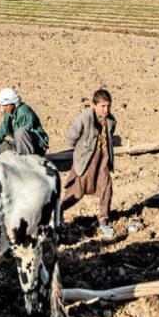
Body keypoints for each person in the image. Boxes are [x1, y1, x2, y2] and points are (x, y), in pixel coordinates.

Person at [61, 89, 116, 238]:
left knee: (107, 188)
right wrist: (82, 149)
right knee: (75, 193)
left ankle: (103, 221)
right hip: (85, 163)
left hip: (102, 161)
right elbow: (71, 137)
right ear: (94, 105)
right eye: (102, 106)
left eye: (108, 106)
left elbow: (109, 137)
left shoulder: (110, 121)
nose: (106, 110)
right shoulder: (84, 118)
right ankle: (57, 213)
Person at [0, 88, 49, 156]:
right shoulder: (9, 113)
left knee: (20, 133)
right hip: (20, 145)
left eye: (6, 105)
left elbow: (23, 136)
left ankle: (26, 160)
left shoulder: (24, 113)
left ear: (13, 103)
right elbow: (2, 130)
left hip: (35, 147)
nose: (4, 108)